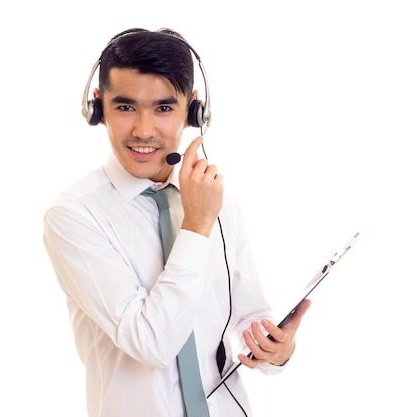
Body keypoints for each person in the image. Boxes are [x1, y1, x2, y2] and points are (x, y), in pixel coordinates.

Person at [43, 27, 311, 417]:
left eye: (164, 108)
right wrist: (196, 226)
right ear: (98, 109)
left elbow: (248, 317)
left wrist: (277, 351)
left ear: (194, 111)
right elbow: (151, 343)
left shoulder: (219, 204)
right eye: (125, 107)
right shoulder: (74, 217)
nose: (144, 130)